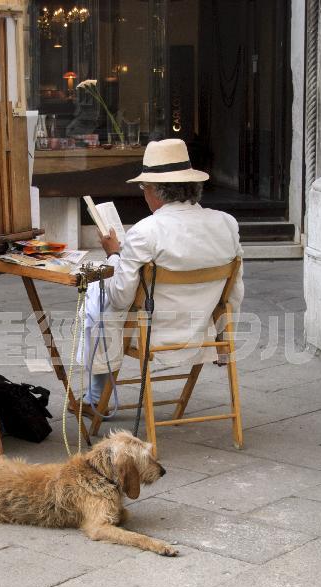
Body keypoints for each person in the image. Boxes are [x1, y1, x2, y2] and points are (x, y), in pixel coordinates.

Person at [81, 138, 245, 408]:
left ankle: (95, 396)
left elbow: (121, 298)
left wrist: (113, 255)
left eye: (144, 188)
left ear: (154, 190)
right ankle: (95, 395)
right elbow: (235, 292)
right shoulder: (226, 224)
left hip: (153, 331)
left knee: (96, 297)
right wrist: (224, 339)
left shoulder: (146, 232)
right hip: (201, 326)